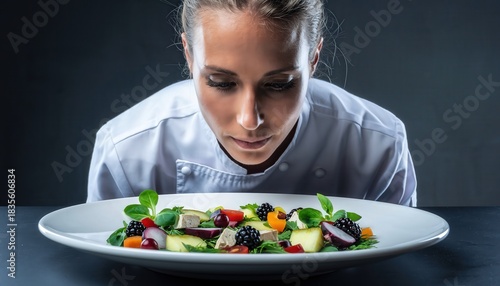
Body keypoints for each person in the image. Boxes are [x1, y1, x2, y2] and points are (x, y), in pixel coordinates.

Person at [86, 0, 417, 206]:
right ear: (189, 55)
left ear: (314, 57)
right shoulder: (126, 151)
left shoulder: (378, 146)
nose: (249, 120)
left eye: (278, 84)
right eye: (222, 83)